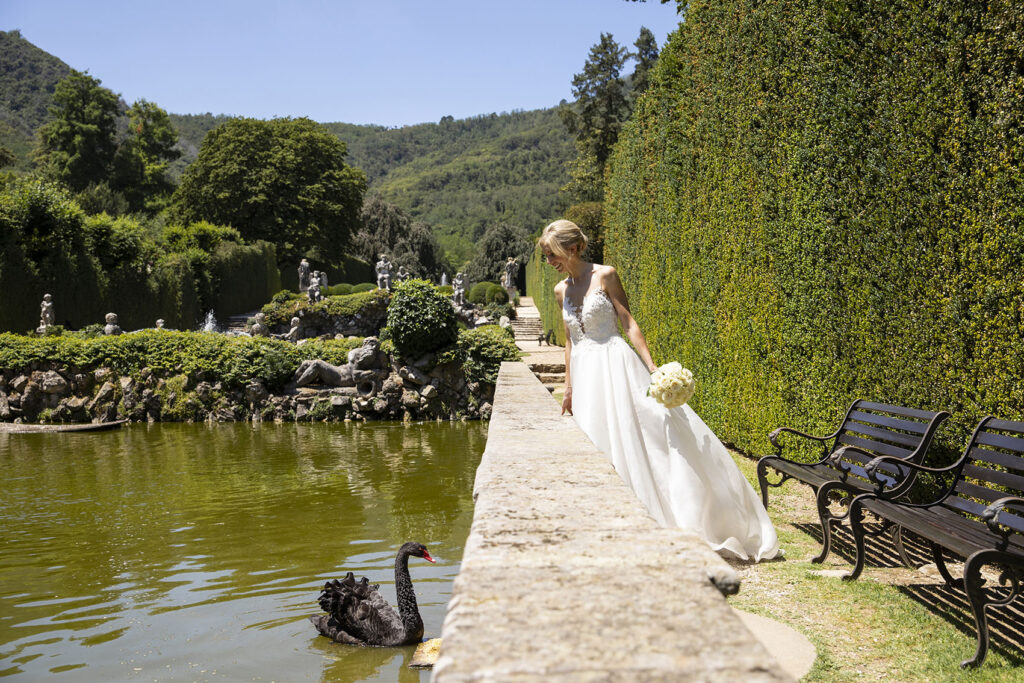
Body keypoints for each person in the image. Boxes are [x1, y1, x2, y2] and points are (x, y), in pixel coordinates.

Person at [540, 219, 778, 562]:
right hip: (586, 375)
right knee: (596, 445)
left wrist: (652, 368)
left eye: (552, 254)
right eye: (546, 256)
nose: (550, 262)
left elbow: (629, 323)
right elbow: (569, 342)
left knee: (647, 439)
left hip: (616, 365)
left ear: (573, 247)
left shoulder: (605, 275)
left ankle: (666, 521)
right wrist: (568, 388)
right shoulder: (561, 290)